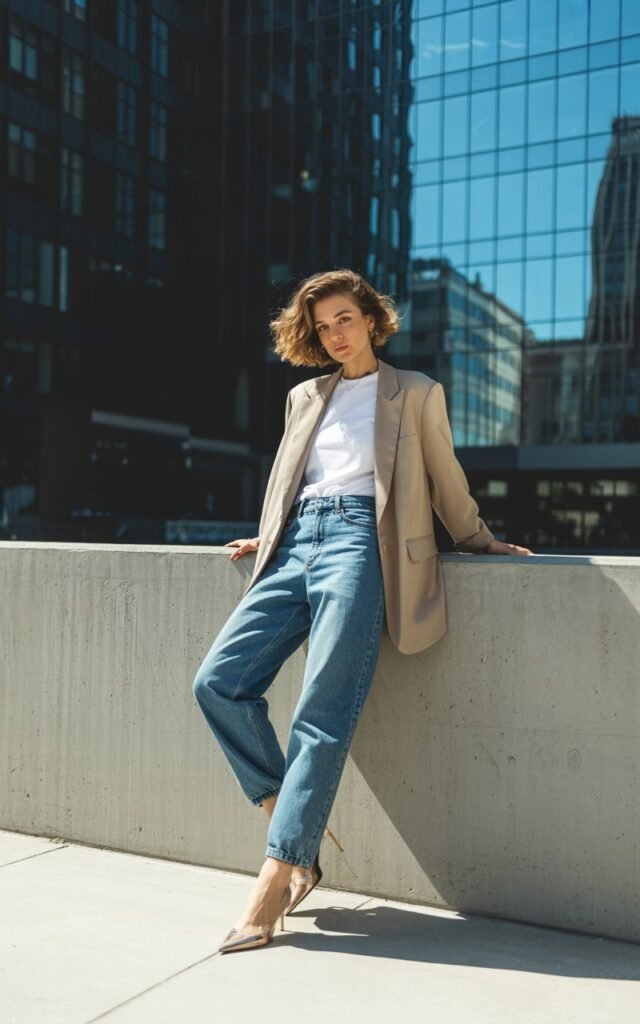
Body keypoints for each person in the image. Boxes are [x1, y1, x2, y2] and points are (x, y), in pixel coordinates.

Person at [192, 268, 533, 955]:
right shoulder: (304, 395)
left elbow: (444, 477)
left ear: (373, 319)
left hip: (360, 542)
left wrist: (477, 538)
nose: (335, 334)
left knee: (322, 706)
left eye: (345, 319)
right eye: (322, 326)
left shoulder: (415, 393)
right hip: (296, 543)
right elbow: (290, 476)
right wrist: (269, 532)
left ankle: (272, 883)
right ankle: (286, 821)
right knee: (218, 684)